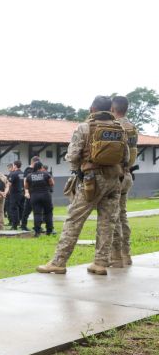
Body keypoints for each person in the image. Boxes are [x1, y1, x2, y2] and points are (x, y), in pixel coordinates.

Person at [38, 95, 129, 275]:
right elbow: (125, 158)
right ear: (110, 110)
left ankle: (58, 262)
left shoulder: (85, 127)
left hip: (91, 181)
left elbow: (72, 156)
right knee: (107, 222)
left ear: (92, 109)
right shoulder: (120, 128)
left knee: (74, 219)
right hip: (114, 181)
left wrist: (78, 170)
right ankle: (101, 263)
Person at [110, 95, 138, 267]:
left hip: (115, 176)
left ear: (113, 109)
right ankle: (126, 254)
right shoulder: (132, 127)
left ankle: (116, 257)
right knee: (123, 215)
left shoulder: (115, 127)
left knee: (112, 217)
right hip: (128, 174)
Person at [24, 162, 55, 236]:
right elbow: (52, 183)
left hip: (34, 196)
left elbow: (26, 186)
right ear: (41, 167)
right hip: (45, 195)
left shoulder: (29, 175)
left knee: (37, 214)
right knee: (48, 213)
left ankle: (37, 232)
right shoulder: (46, 174)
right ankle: (49, 231)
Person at [20, 156, 40, 231]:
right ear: (34, 162)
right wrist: (26, 192)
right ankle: (23, 225)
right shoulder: (28, 170)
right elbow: (25, 181)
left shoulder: (37, 170)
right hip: (30, 192)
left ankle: (37, 226)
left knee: (37, 210)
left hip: (36, 192)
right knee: (27, 210)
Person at [7, 160, 25, 230]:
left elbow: (9, 184)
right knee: (21, 209)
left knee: (14, 209)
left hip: (14, 194)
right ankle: (21, 223)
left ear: (15, 166)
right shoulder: (23, 173)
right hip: (22, 193)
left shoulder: (13, 174)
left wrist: (6, 192)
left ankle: (14, 225)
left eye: (13, 165)